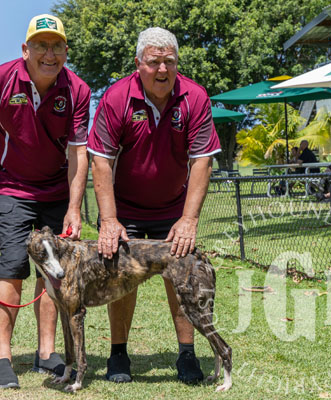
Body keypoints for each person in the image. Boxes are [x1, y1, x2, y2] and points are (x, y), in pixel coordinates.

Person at [87, 27, 220, 385]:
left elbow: (202, 161)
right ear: (138, 64)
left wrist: (189, 219)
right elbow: (101, 161)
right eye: (153, 62)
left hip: (173, 208)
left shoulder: (195, 97)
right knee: (120, 275)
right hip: (125, 207)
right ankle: (118, 353)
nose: (162, 69)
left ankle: (187, 354)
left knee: (182, 277)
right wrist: (109, 220)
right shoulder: (116, 98)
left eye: (169, 62)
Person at [0, 14, 91, 389]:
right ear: (25, 49)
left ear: (66, 51)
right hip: (13, 187)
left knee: (53, 271)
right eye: (41, 46)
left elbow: (78, 152)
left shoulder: (78, 90)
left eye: (57, 46)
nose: (49, 54)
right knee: (14, 264)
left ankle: (46, 353)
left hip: (56, 189)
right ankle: (2, 358)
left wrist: (74, 207)